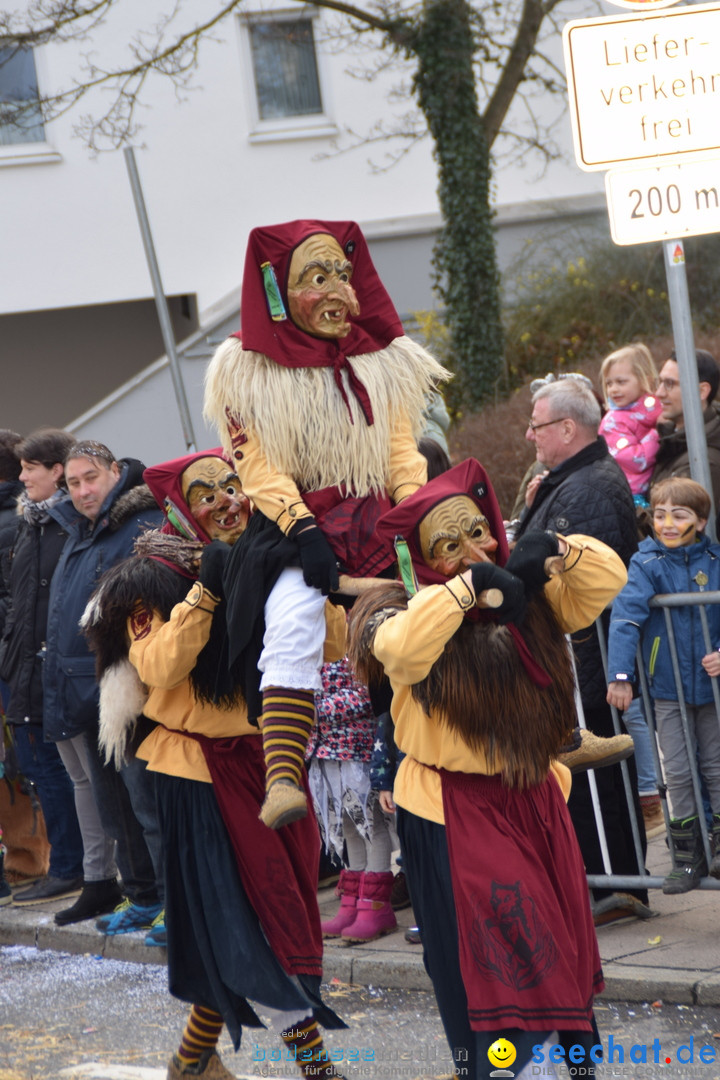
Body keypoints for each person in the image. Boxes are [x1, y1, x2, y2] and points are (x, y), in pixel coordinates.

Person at [348, 458, 627, 1079]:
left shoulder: (527, 596)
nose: (472, 550)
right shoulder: (399, 607)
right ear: (422, 560)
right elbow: (397, 649)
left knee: (558, 949)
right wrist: (472, 587)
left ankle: (564, 1067)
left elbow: (607, 580)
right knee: (500, 973)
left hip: (532, 798)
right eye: (449, 545)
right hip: (454, 812)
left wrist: (553, 545)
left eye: (479, 533)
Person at [83, 449, 348, 1080]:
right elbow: (157, 668)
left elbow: (332, 645)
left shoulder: (266, 554)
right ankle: (319, 1069)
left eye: (234, 486)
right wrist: (209, 586)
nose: (228, 500)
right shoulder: (146, 578)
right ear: (181, 510)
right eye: (209, 494)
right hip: (197, 775)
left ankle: (190, 1063)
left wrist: (313, 583)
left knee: (263, 917)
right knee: (247, 925)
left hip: (271, 763)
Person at [203, 219, 449, 830]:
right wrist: (304, 532)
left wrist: (415, 516)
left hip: (378, 517)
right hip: (295, 532)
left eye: (342, 273)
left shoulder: (381, 362)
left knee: (466, 598)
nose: (338, 289)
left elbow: (401, 454)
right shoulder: (246, 371)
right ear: (281, 292)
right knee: (290, 621)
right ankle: (284, 775)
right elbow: (257, 467)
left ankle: (550, 729)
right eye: (318, 277)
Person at [516, 377, 650, 925]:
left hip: (583, 662)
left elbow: (554, 576)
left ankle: (614, 886)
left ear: (567, 428)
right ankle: (605, 883)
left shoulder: (588, 485)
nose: (529, 435)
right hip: (577, 660)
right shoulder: (570, 478)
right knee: (590, 778)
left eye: (538, 425)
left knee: (598, 781)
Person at [42, 440, 165, 935]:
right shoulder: (77, 529)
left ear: (116, 471)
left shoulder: (143, 522)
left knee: (148, 807)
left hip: (131, 691)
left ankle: (174, 904)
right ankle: (142, 895)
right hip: (86, 692)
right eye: (72, 483)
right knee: (116, 809)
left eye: (90, 477)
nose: (83, 490)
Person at [607, 477, 720, 894]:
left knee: (715, 766)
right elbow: (625, 618)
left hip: (712, 691)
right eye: (659, 515)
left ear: (701, 521)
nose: (668, 523)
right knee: (677, 770)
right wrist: (621, 677)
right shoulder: (646, 563)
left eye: (680, 515)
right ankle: (688, 858)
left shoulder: (716, 559)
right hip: (668, 688)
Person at [0, 429, 87, 909]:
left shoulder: (61, 524)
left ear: (56, 471)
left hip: (55, 665)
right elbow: (20, 602)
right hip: (25, 664)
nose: (23, 475)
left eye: (31, 467)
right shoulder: (31, 522)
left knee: (62, 770)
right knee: (41, 767)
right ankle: (74, 868)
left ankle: (74, 868)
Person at [310, 656, 397, 944]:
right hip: (324, 754)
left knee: (370, 825)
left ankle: (375, 905)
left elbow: (366, 693)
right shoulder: (311, 643)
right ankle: (354, 900)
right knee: (347, 826)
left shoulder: (352, 641)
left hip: (357, 751)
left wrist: (312, 710)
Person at [652, 349, 720, 508]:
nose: (659, 392)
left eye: (669, 384)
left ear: (702, 391)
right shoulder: (672, 438)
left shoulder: (704, 462)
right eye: (659, 382)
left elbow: (672, 525)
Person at [599, 343, 661, 509]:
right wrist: (656, 435)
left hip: (652, 486)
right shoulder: (612, 422)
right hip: (630, 495)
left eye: (621, 382)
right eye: (609, 383)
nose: (613, 389)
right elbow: (634, 459)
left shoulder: (654, 406)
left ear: (645, 380)